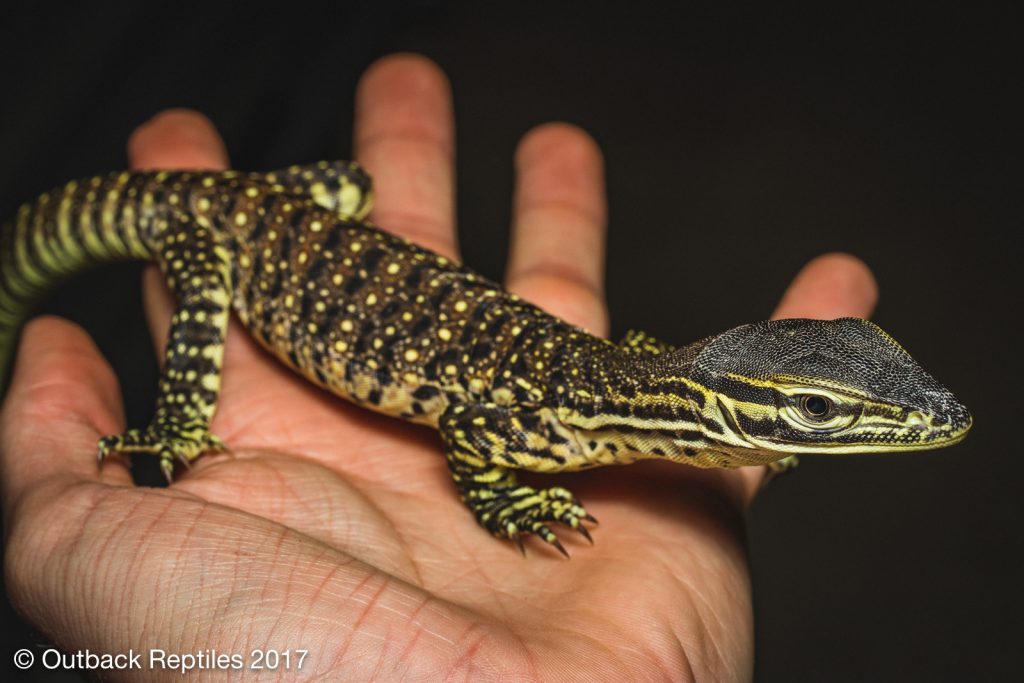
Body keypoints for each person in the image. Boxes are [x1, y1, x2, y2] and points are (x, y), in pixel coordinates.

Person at [0, 54, 876, 679]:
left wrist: (769, 435)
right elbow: (469, 426)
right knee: (253, 251)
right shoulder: (557, 419)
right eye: (816, 408)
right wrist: (500, 499)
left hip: (263, 212)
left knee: (350, 187)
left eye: (816, 410)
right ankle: (188, 417)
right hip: (221, 232)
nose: (852, 421)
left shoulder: (618, 387)